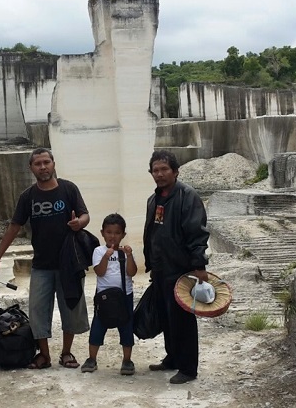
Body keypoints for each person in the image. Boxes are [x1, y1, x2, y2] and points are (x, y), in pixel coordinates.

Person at [0, 148, 90, 370]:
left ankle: (66, 352)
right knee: (38, 310)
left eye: (46, 162)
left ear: (53, 163)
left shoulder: (69, 189)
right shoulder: (28, 196)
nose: (43, 167)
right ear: (31, 168)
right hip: (41, 264)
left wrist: (80, 223)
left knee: (70, 306)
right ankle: (44, 355)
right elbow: (15, 226)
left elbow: (84, 214)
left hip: (69, 264)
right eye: (38, 164)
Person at [142, 150, 210, 384]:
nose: (159, 174)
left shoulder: (187, 196)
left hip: (181, 270)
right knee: (166, 317)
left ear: (175, 171)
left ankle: (188, 368)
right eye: (155, 170)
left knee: (183, 321)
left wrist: (199, 266)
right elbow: (152, 233)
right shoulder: (155, 198)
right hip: (160, 270)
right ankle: (172, 358)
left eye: (164, 169)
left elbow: (196, 234)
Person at [80, 213, 137, 375]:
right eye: (109, 232)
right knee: (98, 325)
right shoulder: (99, 251)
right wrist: (106, 256)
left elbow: (132, 273)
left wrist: (130, 256)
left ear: (123, 235)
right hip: (104, 297)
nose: (113, 236)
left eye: (117, 233)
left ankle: (127, 360)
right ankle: (92, 358)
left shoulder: (125, 252)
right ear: (102, 233)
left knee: (126, 326)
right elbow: (100, 272)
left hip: (125, 295)